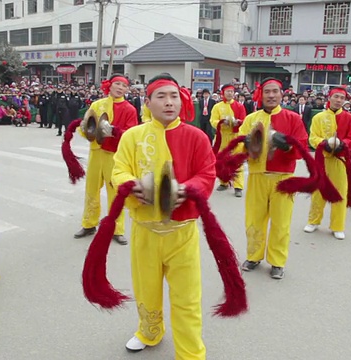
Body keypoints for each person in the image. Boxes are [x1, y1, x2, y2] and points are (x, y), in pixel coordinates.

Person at [100, 74, 244, 358]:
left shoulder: (196, 136)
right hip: (144, 228)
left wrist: (187, 189)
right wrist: (131, 186)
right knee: (146, 290)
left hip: (182, 231)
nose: (169, 102)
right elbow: (119, 171)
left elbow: (207, 173)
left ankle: (190, 352)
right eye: (161, 96)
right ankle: (149, 332)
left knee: (186, 298)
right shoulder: (132, 136)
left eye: (174, 96)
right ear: (148, 102)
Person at [235, 78, 309, 279]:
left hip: (283, 176)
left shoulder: (293, 118)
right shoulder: (251, 119)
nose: (271, 95)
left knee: (281, 222)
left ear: (281, 94)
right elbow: (239, 144)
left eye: (275, 91)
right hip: (257, 175)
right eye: (267, 92)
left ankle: (277, 261)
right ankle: (254, 255)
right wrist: (246, 144)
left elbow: (302, 145)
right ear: (261, 95)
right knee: (254, 218)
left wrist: (287, 146)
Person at [73, 74, 138, 245]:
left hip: (115, 156)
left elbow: (132, 135)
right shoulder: (97, 104)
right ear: (109, 85)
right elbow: (86, 124)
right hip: (96, 152)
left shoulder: (129, 109)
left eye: (123, 86)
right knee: (91, 189)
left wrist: (115, 131)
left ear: (127, 89)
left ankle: (117, 229)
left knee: (115, 192)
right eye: (117, 84)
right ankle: (89, 223)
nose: (120, 88)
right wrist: (84, 128)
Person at [303, 87, 351, 240]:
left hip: (340, 160)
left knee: (340, 192)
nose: (339, 100)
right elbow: (312, 137)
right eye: (336, 97)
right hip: (322, 160)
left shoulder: (350, 118)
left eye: (342, 98)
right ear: (330, 98)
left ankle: (337, 226)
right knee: (318, 191)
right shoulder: (318, 117)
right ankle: (313, 221)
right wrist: (323, 143)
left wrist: (343, 144)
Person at [210, 83, 247, 197]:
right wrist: (221, 122)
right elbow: (213, 120)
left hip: (235, 136)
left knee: (237, 161)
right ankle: (224, 182)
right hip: (222, 137)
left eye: (231, 91)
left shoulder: (239, 106)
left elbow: (244, 120)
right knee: (221, 160)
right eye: (227, 91)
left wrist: (238, 122)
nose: (230, 93)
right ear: (223, 93)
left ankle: (238, 186)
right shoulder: (217, 107)